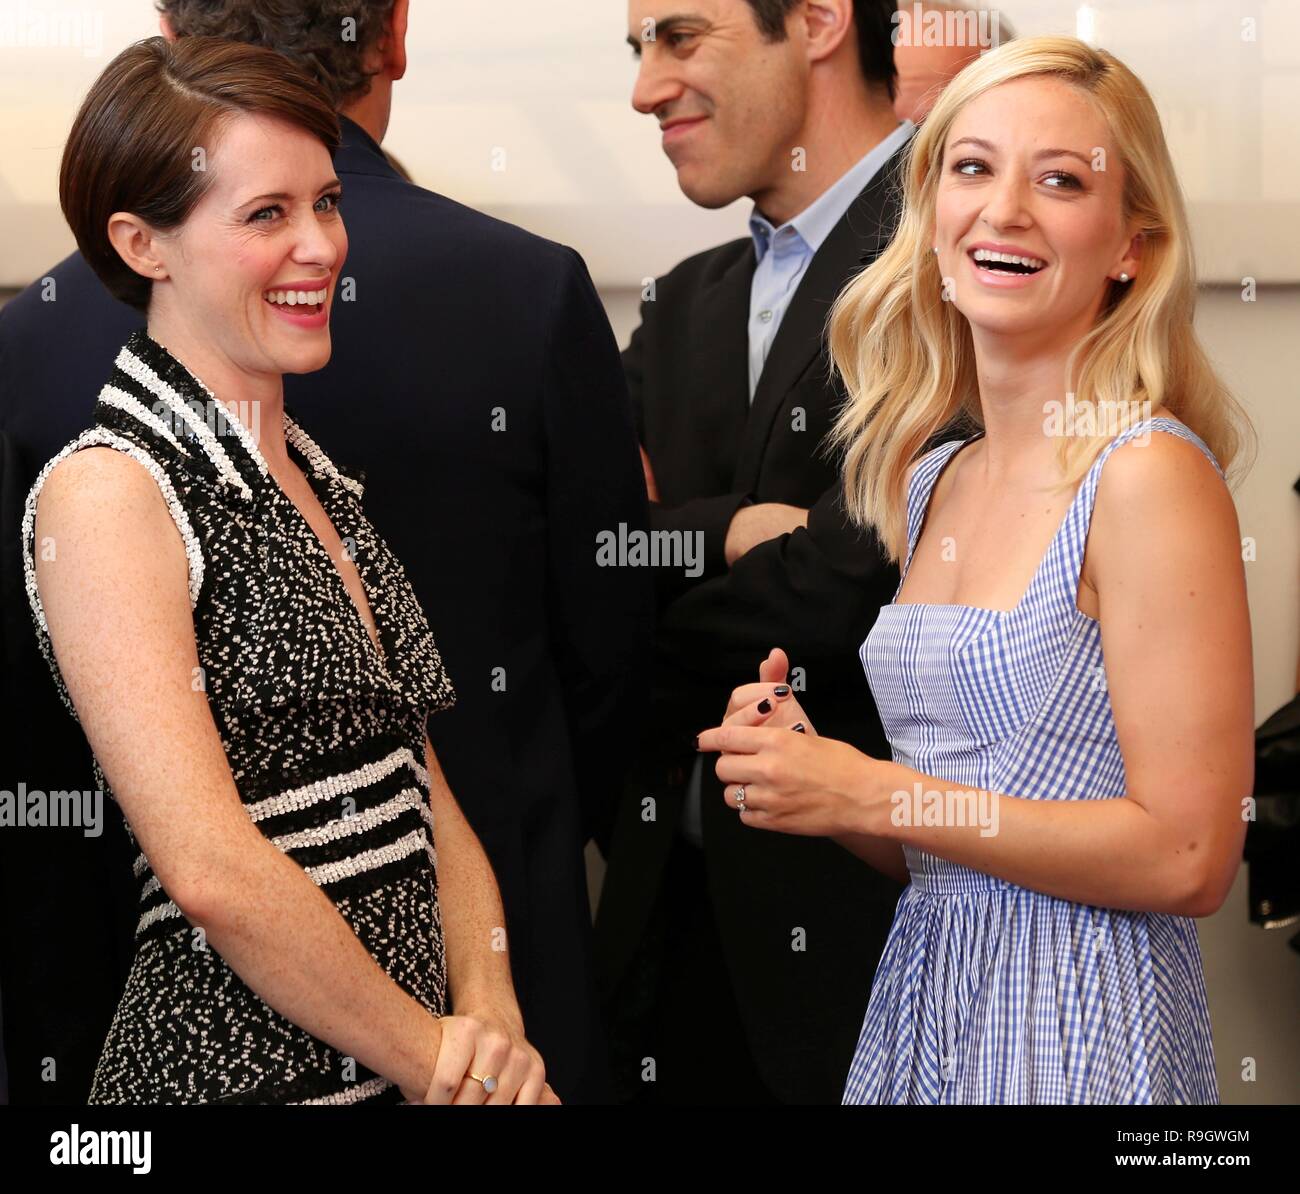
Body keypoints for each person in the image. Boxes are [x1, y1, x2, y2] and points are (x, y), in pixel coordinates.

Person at [0, 0, 649, 1105]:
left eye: (328, 202)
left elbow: (425, 786)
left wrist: (488, 1014)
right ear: (140, 243)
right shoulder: (107, 492)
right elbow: (208, 872)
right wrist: (441, 1061)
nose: (321, 248)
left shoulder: (309, 468)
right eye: (267, 214)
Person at [699, 35, 1256, 1103]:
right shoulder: (931, 480)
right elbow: (952, 855)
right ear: (930, 210)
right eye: (972, 167)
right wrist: (824, 782)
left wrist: (876, 789)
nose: (1004, 210)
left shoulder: (1143, 476)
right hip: (922, 1013)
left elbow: (1188, 857)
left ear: (1131, 245)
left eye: (1060, 181)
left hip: (1081, 1032)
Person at [595, 0, 924, 1104]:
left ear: (821, 20)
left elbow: (846, 594)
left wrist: (656, 558)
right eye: (639, 49)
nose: (646, 88)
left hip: (875, 942)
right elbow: (577, 561)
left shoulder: (961, 258)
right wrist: (728, 531)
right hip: (664, 919)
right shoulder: (686, 302)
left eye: (680, 37)